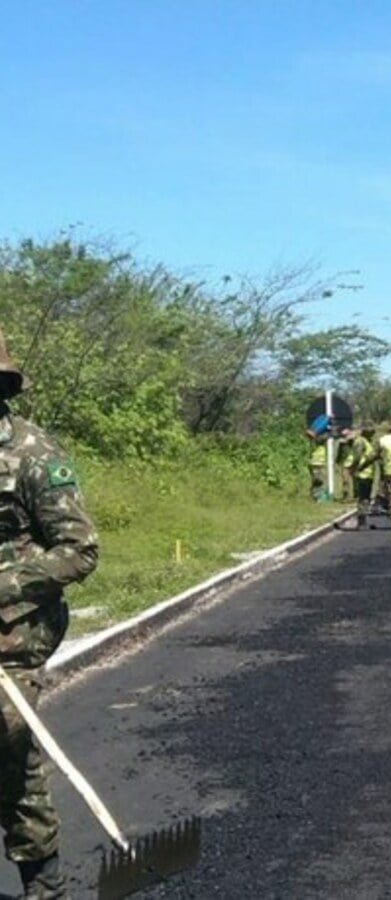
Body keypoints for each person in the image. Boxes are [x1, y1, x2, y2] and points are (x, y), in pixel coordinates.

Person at [0, 331, 99, 898]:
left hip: (18, 629)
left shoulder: (35, 454)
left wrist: (3, 588)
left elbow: (79, 550)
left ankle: (44, 883)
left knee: (9, 744)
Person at [348, 424, 378, 530]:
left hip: (367, 474)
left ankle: (363, 521)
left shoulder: (367, 442)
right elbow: (357, 456)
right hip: (362, 474)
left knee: (365, 498)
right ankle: (361, 521)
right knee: (362, 498)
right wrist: (354, 468)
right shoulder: (360, 442)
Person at [305, 427, 329, 501]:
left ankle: (317, 495)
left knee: (318, 480)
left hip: (319, 464)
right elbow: (318, 437)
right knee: (317, 480)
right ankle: (316, 496)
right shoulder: (314, 442)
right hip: (315, 464)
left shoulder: (319, 443)